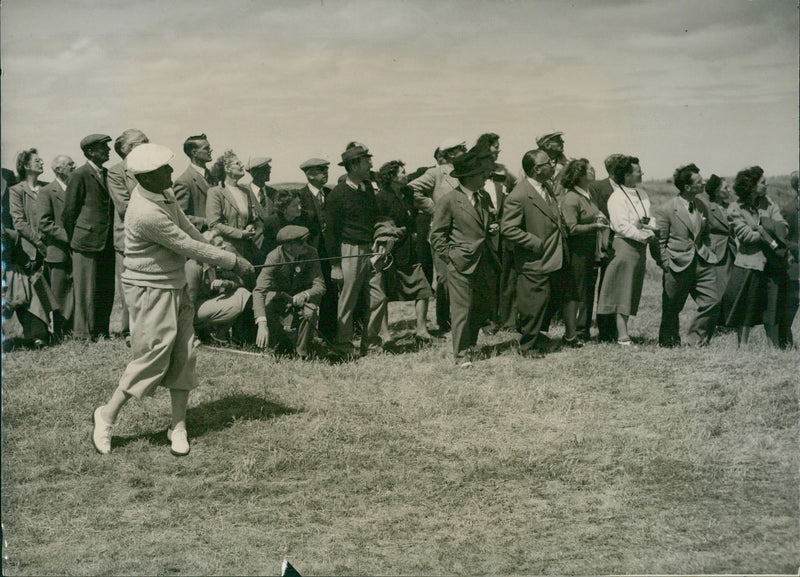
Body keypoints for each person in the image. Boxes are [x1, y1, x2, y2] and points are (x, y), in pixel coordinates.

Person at [91, 143, 254, 457]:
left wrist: (216, 257)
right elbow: (185, 245)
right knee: (153, 356)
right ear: (147, 178)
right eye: (164, 169)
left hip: (174, 285)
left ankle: (177, 426)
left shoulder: (164, 194)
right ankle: (107, 415)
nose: (170, 172)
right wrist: (232, 262)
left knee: (185, 352)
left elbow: (190, 230)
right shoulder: (145, 212)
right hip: (149, 290)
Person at [501, 149, 577, 358]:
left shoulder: (546, 187)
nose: (553, 166)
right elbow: (508, 228)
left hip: (555, 257)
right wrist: (535, 243)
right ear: (536, 169)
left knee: (548, 299)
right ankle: (528, 347)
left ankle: (538, 336)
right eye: (548, 164)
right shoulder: (519, 194)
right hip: (535, 259)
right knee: (533, 301)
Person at [430, 147, 500, 367]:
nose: (485, 177)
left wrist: (492, 228)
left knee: (478, 308)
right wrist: (451, 257)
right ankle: (461, 355)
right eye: (480, 174)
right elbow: (437, 235)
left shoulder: (485, 197)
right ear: (468, 177)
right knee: (461, 310)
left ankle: (471, 346)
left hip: (484, 261)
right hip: (461, 263)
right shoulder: (449, 200)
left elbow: (483, 225)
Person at [324, 142, 386, 356]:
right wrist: (335, 265)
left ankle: (372, 345)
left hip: (372, 250)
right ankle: (343, 346)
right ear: (354, 165)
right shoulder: (337, 195)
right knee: (348, 300)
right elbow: (330, 233)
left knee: (378, 298)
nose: (370, 164)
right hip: (349, 251)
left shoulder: (367, 188)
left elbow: (375, 217)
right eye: (366, 160)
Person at [721, 166, 789, 347]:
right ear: (750, 185)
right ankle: (742, 346)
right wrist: (767, 232)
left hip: (771, 264)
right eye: (762, 182)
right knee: (746, 308)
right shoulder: (735, 208)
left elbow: (784, 228)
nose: (767, 184)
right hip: (749, 265)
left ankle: (773, 347)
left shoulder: (770, 203)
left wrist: (761, 229)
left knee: (771, 307)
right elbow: (746, 237)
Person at [596, 156, 660, 345]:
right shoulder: (617, 197)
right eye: (637, 170)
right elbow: (621, 226)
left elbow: (649, 218)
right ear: (626, 174)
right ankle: (622, 335)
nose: (641, 173)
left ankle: (622, 332)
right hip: (624, 247)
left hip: (639, 249)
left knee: (631, 290)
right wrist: (644, 235)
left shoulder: (642, 194)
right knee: (621, 291)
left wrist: (649, 228)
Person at [655, 164, 720, 347]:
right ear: (687, 187)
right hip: (676, 264)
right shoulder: (666, 209)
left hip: (702, 262)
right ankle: (668, 341)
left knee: (712, 301)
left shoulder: (702, 206)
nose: (704, 183)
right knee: (672, 307)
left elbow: (707, 233)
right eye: (699, 181)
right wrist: (666, 263)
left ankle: (696, 341)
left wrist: (709, 252)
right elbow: (658, 242)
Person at [409, 138, 467, 333]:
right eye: (460, 149)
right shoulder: (436, 174)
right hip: (444, 234)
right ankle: (445, 320)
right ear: (449, 153)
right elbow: (412, 189)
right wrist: (435, 209)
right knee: (445, 278)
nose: (464, 151)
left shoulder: (468, 171)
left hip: (466, 231)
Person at [62, 133, 116, 340]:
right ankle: (83, 333)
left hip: (106, 241)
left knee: (105, 288)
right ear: (90, 151)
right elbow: (69, 212)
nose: (108, 151)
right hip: (85, 242)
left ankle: (101, 330)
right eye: (103, 148)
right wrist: (75, 238)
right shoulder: (79, 175)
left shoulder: (108, 174)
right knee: (85, 290)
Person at [375, 160, 434, 341]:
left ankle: (421, 330)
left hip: (410, 249)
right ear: (392, 177)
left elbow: (414, 215)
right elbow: (378, 222)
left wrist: (415, 232)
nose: (405, 174)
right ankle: (384, 334)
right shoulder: (381, 197)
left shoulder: (407, 192)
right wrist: (391, 231)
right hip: (389, 252)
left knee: (423, 289)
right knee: (383, 293)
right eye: (402, 172)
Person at [253, 225, 326, 358]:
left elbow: (320, 285)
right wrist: (262, 323)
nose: (305, 245)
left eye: (306, 240)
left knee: (310, 311)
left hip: (300, 300)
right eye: (300, 242)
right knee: (267, 306)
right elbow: (259, 290)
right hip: (278, 297)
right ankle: (275, 346)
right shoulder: (274, 257)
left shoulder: (311, 253)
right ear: (288, 246)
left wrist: (305, 294)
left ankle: (302, 353)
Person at [107, 128, 149, 344]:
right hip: (128, 239)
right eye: (144, 141)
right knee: (129, 288)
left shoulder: (153, 167)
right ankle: (130, 331)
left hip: (151, 236)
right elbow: (124, 207)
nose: (149, 143)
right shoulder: (116, 173)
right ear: (129, 149)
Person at [559, 158, 608, 341]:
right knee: (576, 291)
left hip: (589, 251)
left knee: (587, 290)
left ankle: (583, 330)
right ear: (579, 175)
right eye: (590, 170)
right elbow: (571, 228)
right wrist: (595, 226)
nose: (593, 171)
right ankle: (574, 332)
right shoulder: (571, 198)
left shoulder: (588, 195)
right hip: (576, 251)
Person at [185, 229, 252, 344]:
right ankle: (198, 333)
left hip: (205, 306)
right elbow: (187, 302)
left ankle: (220, 336)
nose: (224, 247)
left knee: (242, 293)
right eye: (220, 245)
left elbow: (239, 282)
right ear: (208, 248)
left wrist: (226, 283)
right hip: (192, 311)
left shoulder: (216, 264)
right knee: (234, 304)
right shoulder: (194, 266)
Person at [206, 150, 265, 275]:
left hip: (248, 249)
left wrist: (250, 226)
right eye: (238, 163)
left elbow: (251, 219)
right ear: (227, 168)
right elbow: (214, 224)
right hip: (228, 250)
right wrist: (240, 234)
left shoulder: (245, 191)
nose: (242, 166)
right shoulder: (215, 192)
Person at [36, 154, 76, 337]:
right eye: (70, 164)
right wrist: (68, 237)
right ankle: (60, 332)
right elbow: (43, 223)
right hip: (57, 251)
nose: (74, 166)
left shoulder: (75, 189)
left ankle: (76, 329)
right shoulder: (46, 191)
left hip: (78, 250)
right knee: (59, 293)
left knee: (76, 291)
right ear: (59, 169)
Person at [298, 157, 336, 342]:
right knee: (308, 291)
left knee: (330, 291)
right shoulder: (299, 196)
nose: (325, 174)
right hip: (308, 253)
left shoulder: (331, 194)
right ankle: (305, 335)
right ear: (309, 174)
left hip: (329, 253)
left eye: (326, 170)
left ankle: (328, 334)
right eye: (321, 170)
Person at [588, 153, 625, 342]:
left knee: (613, 286)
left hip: (621, 244)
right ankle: (596, 329)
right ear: (611, 170)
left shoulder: (629, 188)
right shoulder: (596, 187)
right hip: (601, 243)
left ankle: (612, 329)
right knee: (598, 287)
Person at [695, 174, 737, 328]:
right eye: (725, 187)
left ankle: (725, 322)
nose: (729, 190)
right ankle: (717, 323)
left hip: (730, 249)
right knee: (720, 288)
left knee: (730, 287)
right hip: (716, 250)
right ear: (718, 191)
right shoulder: (707, 207)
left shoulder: (729, 207)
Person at [173, 133, 213, 231]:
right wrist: (206, 222)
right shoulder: (184, 181)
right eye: (206, 148)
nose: (210, 150)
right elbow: (179, 216)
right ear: (194, 153)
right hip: (202, 237)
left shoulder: (212, 177)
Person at [778, 171, 798, 348]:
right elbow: (783, 240)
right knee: (792, 301)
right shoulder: (789, 210)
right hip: (795, 263)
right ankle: (784, 341)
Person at [261, 189, 305, 261]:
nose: (300, 208)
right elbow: (268, 250)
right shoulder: (271, 223)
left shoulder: (308, 218)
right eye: (295, 206)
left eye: (300, 203)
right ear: (283, 209)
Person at [535, 132, 569, 199]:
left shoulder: (568, 166)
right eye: (558, 140)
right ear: (547, 145)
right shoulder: (530, 165)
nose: (563, 141)